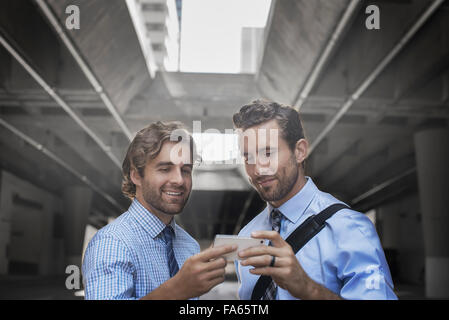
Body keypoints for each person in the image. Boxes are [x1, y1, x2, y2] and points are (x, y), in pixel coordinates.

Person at [232, 100, 397, 300]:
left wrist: (309, 289)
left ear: (300, 151)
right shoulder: (247, 235)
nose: (258, 169)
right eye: (248, 157)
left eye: (268, 152)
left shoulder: (350, 229)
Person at [82, 121, 236, 300]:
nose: (179, 180)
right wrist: (176, 290)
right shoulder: (112, 244)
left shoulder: (189, 246)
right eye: (165, 169)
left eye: (186, 170)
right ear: (136, 176)